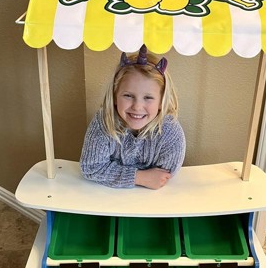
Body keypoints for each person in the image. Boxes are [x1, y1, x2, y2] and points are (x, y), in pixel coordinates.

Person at [80, 44, 186, 189]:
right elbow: (90, 167)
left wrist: (112, 172)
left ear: (161, 102)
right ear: (115, 96)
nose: (137, 106)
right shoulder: (104, 121)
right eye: (128, 95)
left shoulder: (170, 132)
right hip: (108, 199)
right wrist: (139, 177)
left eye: (148, 97)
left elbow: (163, 175)